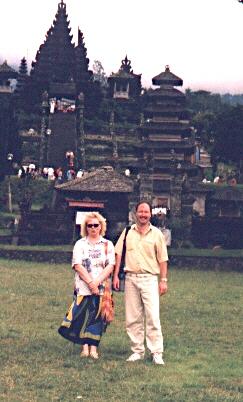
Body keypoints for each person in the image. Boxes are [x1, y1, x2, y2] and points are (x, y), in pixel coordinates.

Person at [113, 201, 168, 365]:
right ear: (135, 213)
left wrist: (163, 280)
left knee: (152, 316)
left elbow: (163, 259)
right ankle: (137, 350)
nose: (143, 214)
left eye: (146, 212)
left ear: (150, 214)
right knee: (132, 317)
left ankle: (156, 352)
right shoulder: (128, 232)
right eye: (140, 211)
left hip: (149, 279)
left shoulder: (157, 234)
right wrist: (115, 276)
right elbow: (118, 254)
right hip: (130, 278)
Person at [58, 212, 115, 359]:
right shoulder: (80, 244)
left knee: (97, 318)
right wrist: (90, 283)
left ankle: (94, 348)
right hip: (83, 288)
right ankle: (84, 347)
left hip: (101, 288)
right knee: (83, 316)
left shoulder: (108, 244)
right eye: (90, 225)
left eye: (96, 225)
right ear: (86, 227)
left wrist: (96, 283)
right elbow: (77, 265)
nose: (93, 228)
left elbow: (110, 266)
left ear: (101, 226)